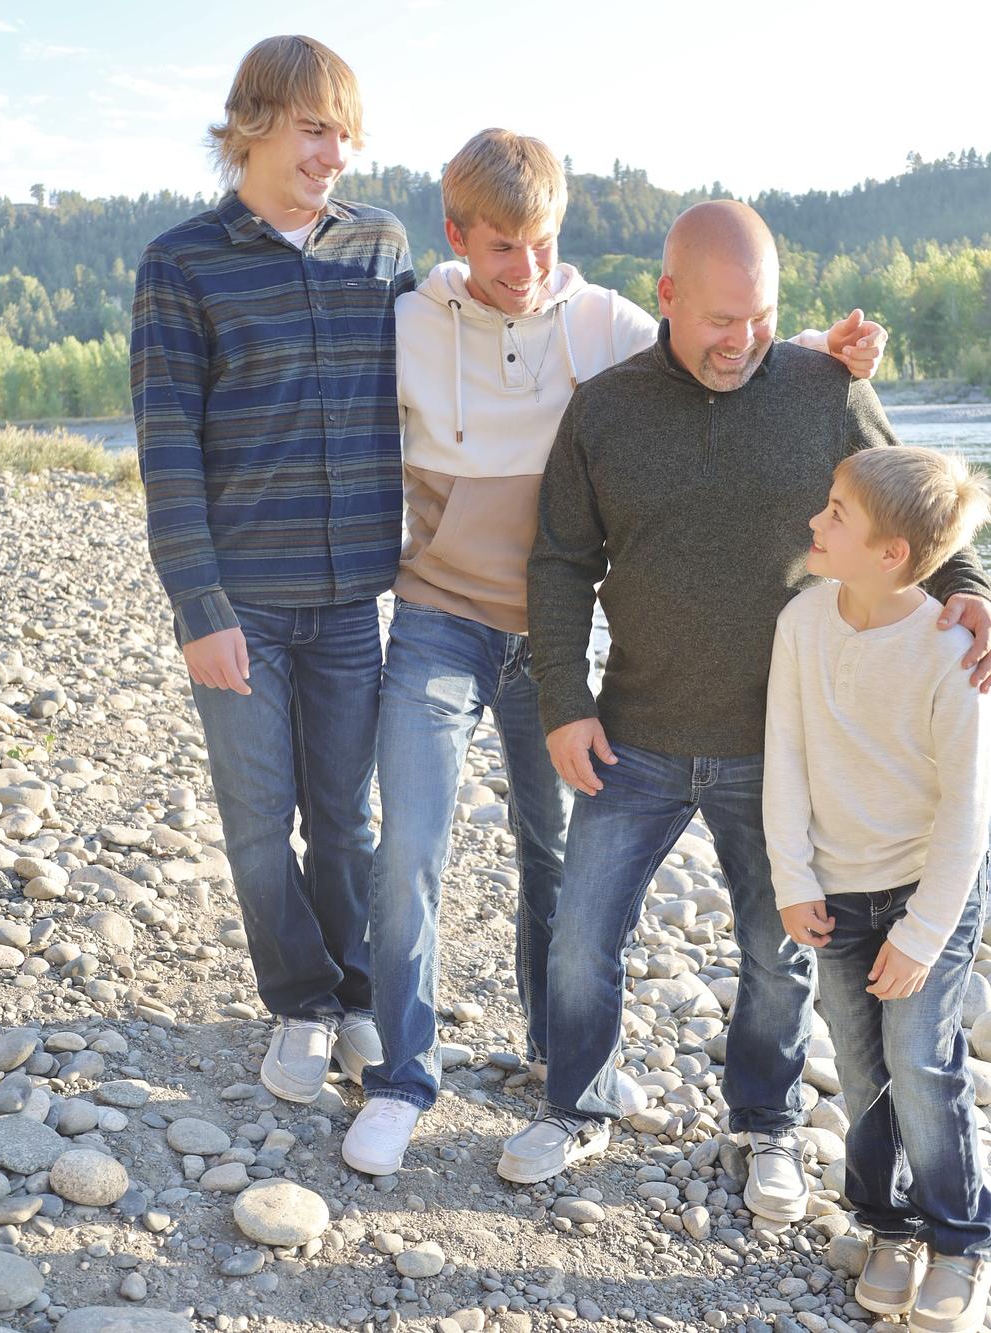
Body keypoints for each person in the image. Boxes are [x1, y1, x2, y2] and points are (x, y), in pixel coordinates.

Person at [340, 131, 889, 1176]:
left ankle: (665, 1095)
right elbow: (546, 546)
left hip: (664, 687)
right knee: (460, 873)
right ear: (457, 238)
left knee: (661, 904)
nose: (527, 268)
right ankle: (450, 1082)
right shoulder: (436, 334)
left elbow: (757, 371)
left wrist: (826, 350)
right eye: (502, 247)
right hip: (490, 644)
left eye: (542, 242)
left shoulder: (620, 327)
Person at [498, 200, 991, 1213]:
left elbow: (915, 509)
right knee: (582, 937)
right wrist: (564, 699)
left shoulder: (824, 388)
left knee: (777, 953)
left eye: (760, 316)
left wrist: (972, 591)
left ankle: (764, 1123)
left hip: (781, 747)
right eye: (721, 319)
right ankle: (575, 1102)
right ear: (667, 297)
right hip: (631, 733)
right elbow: (558, 562)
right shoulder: (604, 410)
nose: (742, 339)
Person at [130, 35, 413, 1104]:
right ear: (251, 124)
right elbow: (167, 448)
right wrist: (198, 607)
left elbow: (473, 350)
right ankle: (300, 1003)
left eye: (346, 134)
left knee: (347, 821)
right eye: (313, 130)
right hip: (239, 602)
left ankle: (357, 997)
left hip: (349, 604)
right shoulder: (180, 264)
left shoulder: (380, 247)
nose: (334, 154)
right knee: (258, 826)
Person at [763, 446, 991, 1333]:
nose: (814, 522)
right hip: (837, 888)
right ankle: (887, 1225)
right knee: (860, 1066)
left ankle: (960, 1240)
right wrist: (793, 877)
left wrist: (924, 933)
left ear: (892, 553)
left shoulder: (953, 651)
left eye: (836, 514)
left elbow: (968, 814)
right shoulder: (801, 622)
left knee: (923, 1062)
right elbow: (784, 755)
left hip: (926, 891)